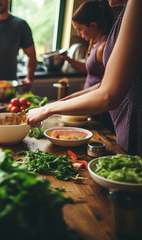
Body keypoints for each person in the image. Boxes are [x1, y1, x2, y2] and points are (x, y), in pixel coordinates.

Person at [27, 0, 142, 156]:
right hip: (125, 132)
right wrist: (57, 103)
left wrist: (48, 109)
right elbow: (102, 85)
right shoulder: (125, 12)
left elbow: (108, 96)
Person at [58, 0, 115, 133]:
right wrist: (67, 59)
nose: (78, 34)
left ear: (93, 25)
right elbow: (88, 69)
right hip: (92, 109)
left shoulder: (103, 47)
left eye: (80, 29)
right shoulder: (95, 43)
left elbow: (106, 83)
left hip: (100, 111)